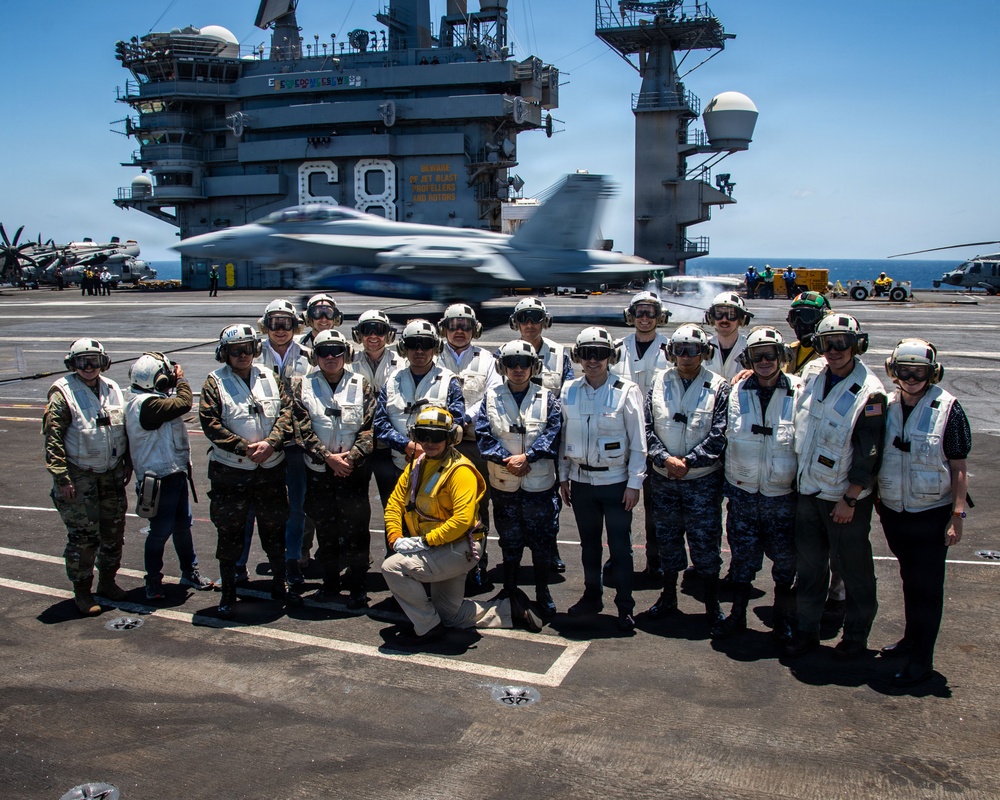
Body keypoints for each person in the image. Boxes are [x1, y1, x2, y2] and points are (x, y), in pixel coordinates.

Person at [381, 406, 542, 646]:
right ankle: (509, 609)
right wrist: (395, 536)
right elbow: (395, 502)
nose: (429, 442)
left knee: (393, 567)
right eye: (423, 435)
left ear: (451, 437)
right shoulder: (418, 464)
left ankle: (427, 628)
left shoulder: (460, 471)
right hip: (435, 547)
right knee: (450, 615)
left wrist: (423, 542)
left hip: (458, 548)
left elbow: (462, 521)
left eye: (436, 436)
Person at [784, 314, 887, 659]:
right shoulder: (813, 378)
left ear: (857, 345)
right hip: (810, 492)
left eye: (842, 343)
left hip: (843, 500)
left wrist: (851, 498)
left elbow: (869, 453)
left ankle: (856, 637)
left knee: (854, 570)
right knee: (810, 569)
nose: (835, 350)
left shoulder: (869, 391)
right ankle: (807, 631)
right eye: (828, 344)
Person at [876, 339, 971, 687]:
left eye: (919, 373)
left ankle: (922, 661)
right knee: (908, 581)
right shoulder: (885, 405)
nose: (912, 378)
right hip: (896, 512)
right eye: (905, 371)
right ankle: (911, 639)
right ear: (893, 371)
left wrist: (957, 514)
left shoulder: (949, 408)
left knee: (927, 589)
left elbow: (959, 466)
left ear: (933, 374)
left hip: (932, 514)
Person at [199, 323, 300, 618]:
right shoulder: (214, 382)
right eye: (235, 351)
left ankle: (279, 582)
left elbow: (286, 412)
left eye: (247, 349)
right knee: (229, 533)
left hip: (269, 469)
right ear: (225, 353)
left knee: (275, 529)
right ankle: (229, 590)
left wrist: (271, 444)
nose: (243, 355)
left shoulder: (269, 377)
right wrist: (245, 448)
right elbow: (210, 423)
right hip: (231, 472)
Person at [713, 327, 801, 641]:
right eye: (757, 355)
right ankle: (737, 615)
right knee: (742, 560)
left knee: (786, 564)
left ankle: (783, 618)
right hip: (744, 496)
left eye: (771, 354)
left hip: (781, 495)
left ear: (781, 356)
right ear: (748, 359)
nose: (764, 361)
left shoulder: (800, 392)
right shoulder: (733, 392)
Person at [559, 327, 646, 631]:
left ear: (611, 356)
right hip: (581, 482)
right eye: (587, 353)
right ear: (578, 357)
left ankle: (625, 605)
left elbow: (638, 442)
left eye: (600, 353)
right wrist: (564, 477)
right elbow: (562, 439)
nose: (593, 360)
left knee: (620, 548)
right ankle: (592, 596)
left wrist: (635, 483)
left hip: (616, 483)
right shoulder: (568, 390)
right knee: (589, 546)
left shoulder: (626, 390)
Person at [644, 323, 731, 625]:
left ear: (704, 353)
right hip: (664, 478)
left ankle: (711, 605)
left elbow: (720, 434)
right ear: (671, 353)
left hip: (702, 481)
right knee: (667, 540)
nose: (685, 356)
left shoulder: (720, 387)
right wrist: (665, 459)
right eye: (679, 349)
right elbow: (646, 428)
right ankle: (668, 597)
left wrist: (688, 463)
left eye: (692, 350)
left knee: (705, 543)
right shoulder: (657, 382)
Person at [44, 339, 131, 615]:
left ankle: (107, 581)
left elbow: (124, 428)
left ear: (103, 362)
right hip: (79, 475)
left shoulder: (113, 388)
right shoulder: (63, 393)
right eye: (83, 361)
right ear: (73, 364)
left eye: (94, 360)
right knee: (84, 537)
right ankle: (82, 591)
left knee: (113, 532)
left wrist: (126, 461)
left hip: (112, 473)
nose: (90, 366)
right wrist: (61, 477)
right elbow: (53, 438)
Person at [291, 330, 376, 609]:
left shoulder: (360, 384)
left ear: (346, 354)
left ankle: (358, 588)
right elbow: (301, 429)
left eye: (336, 351)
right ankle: (329, 584)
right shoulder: (302, 386)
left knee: (357, 531)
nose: (330, 357)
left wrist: (350, 459)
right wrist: (328, 457)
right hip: (319, 471)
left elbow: (369, 427)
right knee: (325, 531)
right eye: (324, 351)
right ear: (315, 356)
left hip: (353, 472)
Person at [477, 340, 562, 617]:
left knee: (540, 542)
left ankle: (542, 590)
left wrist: (529, 457)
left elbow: (554, 432)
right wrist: (508, 460)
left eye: (523, 363)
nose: (517, 369)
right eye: (511, 363)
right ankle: (510, 588)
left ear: (533, 366)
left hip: (538, 485)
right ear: (502, 367)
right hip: (505, 484)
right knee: (509, 541)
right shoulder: (490, 397)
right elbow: (484, 435)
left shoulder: (547, 398)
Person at [125, 352, 214, 600]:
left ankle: (189, 571)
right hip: (158, 479)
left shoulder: (145, 399)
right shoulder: (147, 404)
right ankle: (153, 580)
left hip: (173, 473)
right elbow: (184, 403)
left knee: (183, 527)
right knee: (160, 531)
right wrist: (182, 380)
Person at [437, 303, 502, 591]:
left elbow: (492, 394)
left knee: (477, 507)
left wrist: (463, 419)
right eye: (453, 325)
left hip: (473, 443)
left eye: (465, 325)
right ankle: (443, 566)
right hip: (437, 445)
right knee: (439, 504)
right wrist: (448, 423)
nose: (459, 331)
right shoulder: (432, 354)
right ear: (445, 328)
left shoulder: (486, 359)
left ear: (474, 329)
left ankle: (477, 565)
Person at [509, 296, 575, 573]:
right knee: (513, 501)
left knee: (549, 501)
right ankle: (514, 556)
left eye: (535, 317)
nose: (529, 324)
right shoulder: (506, 352)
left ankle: (549, 550)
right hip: (515, 439)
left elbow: (569, 394)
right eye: (524, 318)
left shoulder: (560, 356)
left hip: (550, 440)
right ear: (516, 323)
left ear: (545, 322)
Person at [611, 290, 671, 581]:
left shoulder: (671, 349)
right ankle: (619, 558)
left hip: (659, 437)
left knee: (654, 507)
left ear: (659, 316)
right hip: (620, 437)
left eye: (650, 312)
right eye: (640, 312)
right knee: (618, 504)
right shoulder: (616, 349)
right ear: (630, 315)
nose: (644, 318)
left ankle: (655, 560)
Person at [374, 319, 465, 509]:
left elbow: (457, 422)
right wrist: (406, 445)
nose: (419, 351)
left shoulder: (449, 381)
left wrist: (427, 448)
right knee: (396, 522)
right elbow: (380, 422)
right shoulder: (392, 381)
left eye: (426, 345)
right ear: (403, 348)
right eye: (412, 345)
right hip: (398, 465)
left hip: (438, 469)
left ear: (435, 347)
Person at [254, 299, 312, 586]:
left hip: (296, 444)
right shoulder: (251, 355)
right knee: (262, 506)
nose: (280, 329)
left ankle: (293, 559)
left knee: (297, 506)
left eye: (286, 323)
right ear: (266, 325)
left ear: (294, 326)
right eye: (274, 323)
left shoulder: (310, 357)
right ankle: (268, 558)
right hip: (263, 444)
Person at [349, 309, 402, 508]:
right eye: (367, 330)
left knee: (393, 505)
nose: (373, 336)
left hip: (387, 446)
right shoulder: (348, 363)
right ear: (359, 334)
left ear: (387, 335)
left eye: (379, 330)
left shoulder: (402, 363)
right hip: (357, 445)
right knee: (356, 506)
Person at [705, 291, 752, 381]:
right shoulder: (700, 347)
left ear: (741, 319)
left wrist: (755, 373)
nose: (724, 319)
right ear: (711, 318)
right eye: (719, 314)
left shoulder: (751, 348)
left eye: (731, 314)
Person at [786, 291, 832, 379]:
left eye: (807, 317)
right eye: (795, 317)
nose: (800, 323)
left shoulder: (831, 355)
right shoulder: (789, 351)